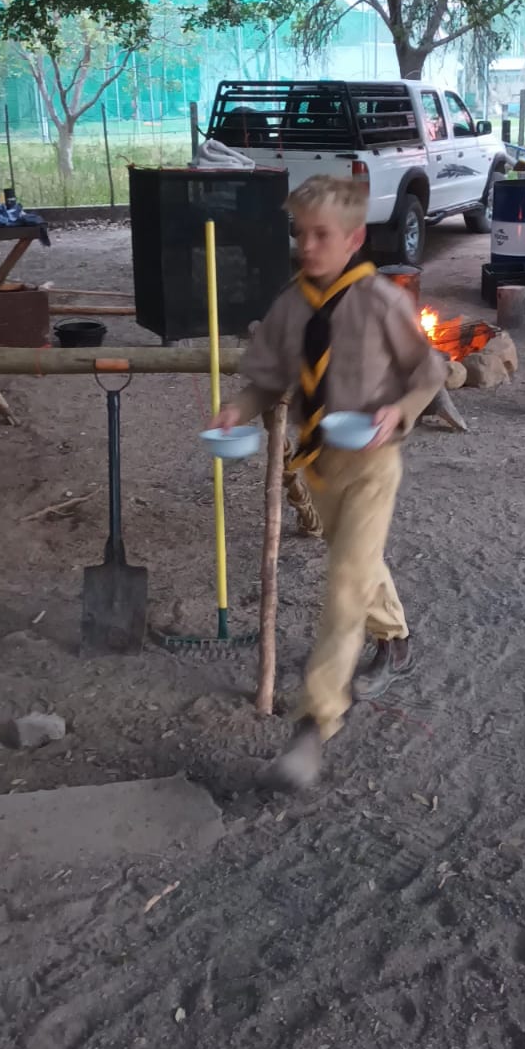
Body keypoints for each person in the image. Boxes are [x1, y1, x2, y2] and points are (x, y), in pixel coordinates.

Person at [213, 175, 447, 789]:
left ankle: (313, 726)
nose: (308, 246)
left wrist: (401, 410)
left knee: (344, 585)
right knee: (357, 562)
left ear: (354, 238)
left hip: (373, 461)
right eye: (301, 233)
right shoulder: (290, 306)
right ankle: (395, 638)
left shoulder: (380, 301)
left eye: (322, 235)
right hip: (319, 463)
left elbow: (430, 369)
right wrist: (238, 409)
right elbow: (268, 380)